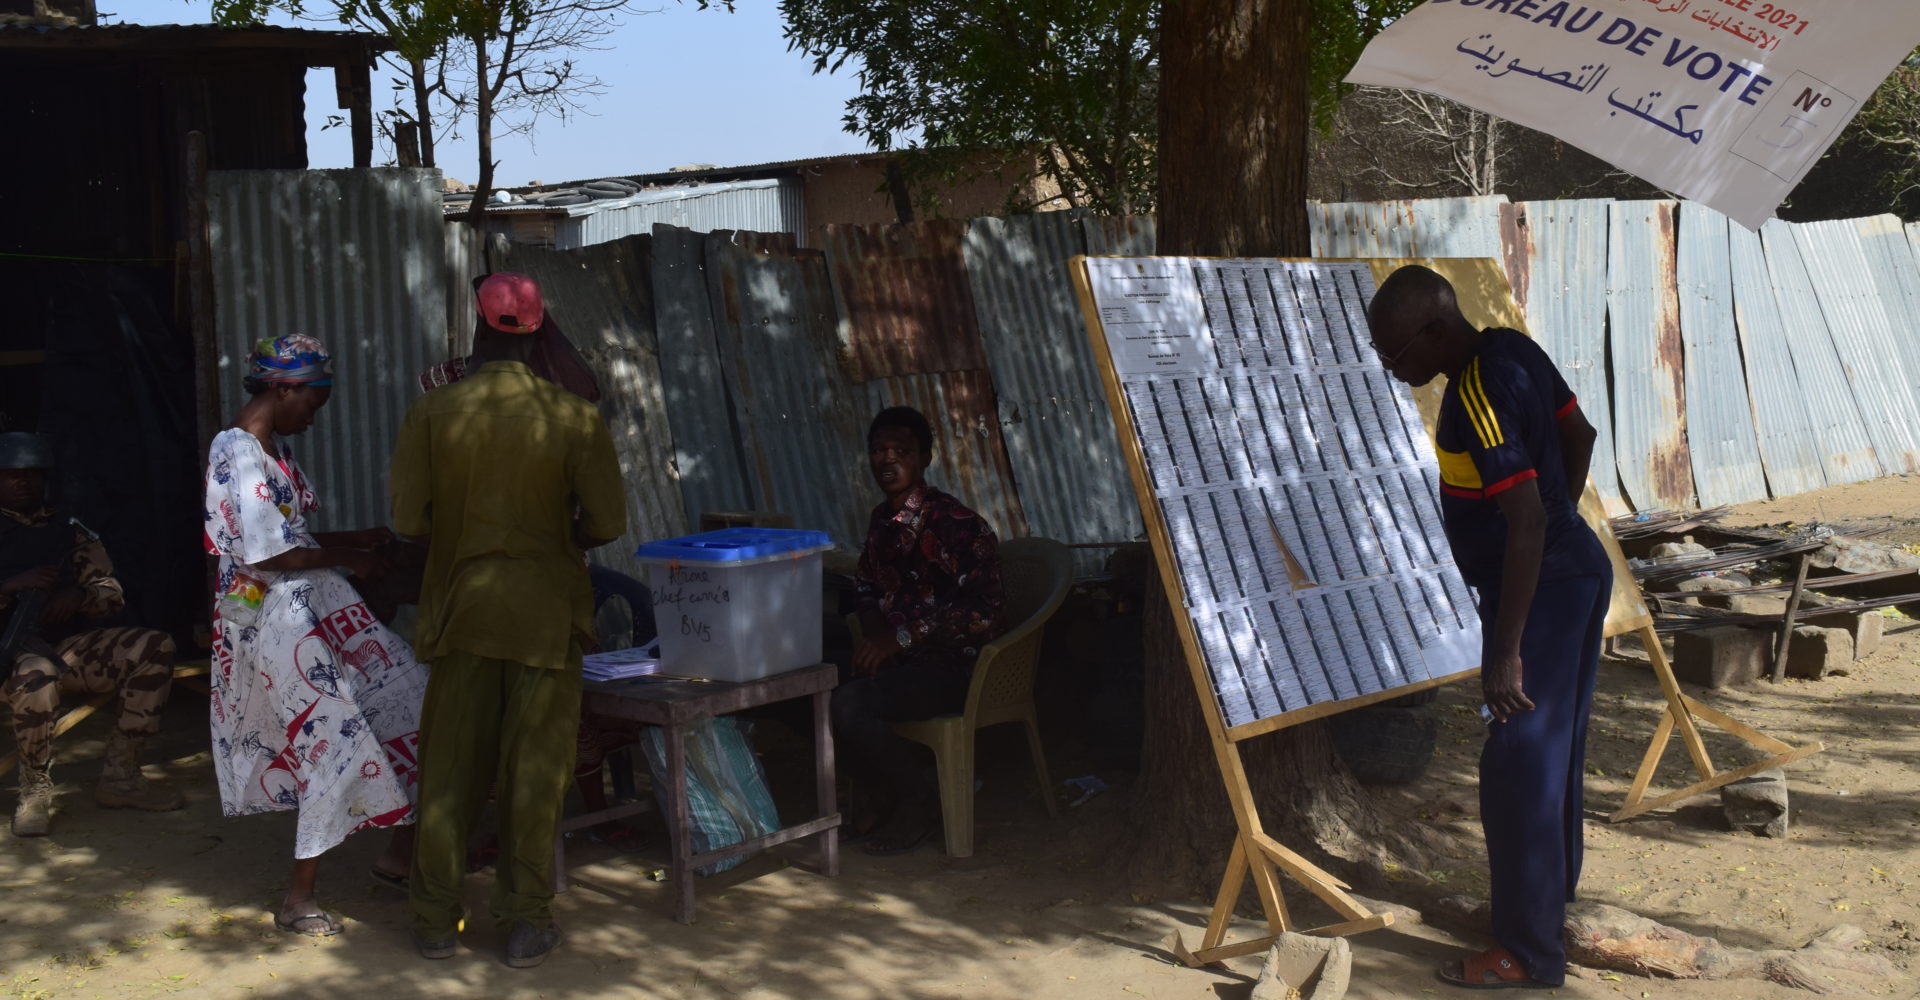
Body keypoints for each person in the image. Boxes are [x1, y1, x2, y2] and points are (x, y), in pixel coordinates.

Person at [1365, 266, 1609, 991]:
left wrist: (1505, 650)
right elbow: (1579, 434)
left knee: (1517, 764)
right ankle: (1548, 906)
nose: (1392, 366)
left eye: (1397, 351)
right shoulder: (1513, 351)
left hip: (1541, 591)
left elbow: (1525, 519)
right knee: (1553, 753)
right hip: (1574, 573)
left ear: (1438, 331)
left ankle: (1527, 952)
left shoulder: (1474, 398)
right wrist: (1563, 522)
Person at [392, 271, 627, 968]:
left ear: (479, 327)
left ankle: (435, 921)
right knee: (535, 773)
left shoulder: (432, 412)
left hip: (463, 613)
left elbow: (409, 521)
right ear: (537, 328)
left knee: (448, 771)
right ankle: (524, 922)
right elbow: (607, 521)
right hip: (545, 619)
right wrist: (557, 539)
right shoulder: (574, 417)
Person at [203, 334, 427, 937]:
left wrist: (359, 539)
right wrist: (352, 555)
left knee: (409, 698)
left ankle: (400, 855)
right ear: (283, 388)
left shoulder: (273, 449)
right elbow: (266, 553)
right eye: (312, 401)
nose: (313, 414)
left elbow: (294, 532)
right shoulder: (236, 452)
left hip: (317, 605)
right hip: (272, 620)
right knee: (333, 735)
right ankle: (298, 898)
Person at [833, 406, 1005, 856]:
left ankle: (919, 797)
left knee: (851, 704)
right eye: (877, 451)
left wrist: (904, 637)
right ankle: (882, 788)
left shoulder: (956, 525)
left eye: (900, 451)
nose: (886, 460)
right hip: (899, 666)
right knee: (812, 685)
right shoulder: (880, 522)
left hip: (952, 669)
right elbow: (865, 583)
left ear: (924, 457)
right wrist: (873, 632)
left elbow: (985, 611)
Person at [2, 432, 182, 836]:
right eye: (11, 474)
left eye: (31, 474)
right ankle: (34, 790)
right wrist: (11, 586)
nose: (22, 482)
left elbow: (111, 591)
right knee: (36, 675)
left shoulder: (68, 530)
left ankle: (121, 778)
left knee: (154, 646)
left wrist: (80, 595)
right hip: (8, 657)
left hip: (60, 647)